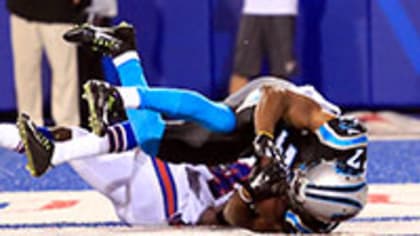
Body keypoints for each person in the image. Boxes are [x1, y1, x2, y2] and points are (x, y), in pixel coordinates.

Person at [9, 118, 367, 233]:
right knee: (68, 138)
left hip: (173, 198)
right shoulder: (288, 164)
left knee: (143, 130)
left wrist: (248, 192)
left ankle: (126, 70)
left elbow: (224, 218)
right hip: (166, 188)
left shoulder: (287, 214)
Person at [6, 0, 89, 126]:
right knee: (25, 74)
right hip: (21, 9)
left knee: (64, 76)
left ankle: (67, 129)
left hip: (60, 12)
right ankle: (29, 128)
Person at [229, 0, 299, 93]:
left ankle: (277, 107)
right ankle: (234, 107)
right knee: (241, 70)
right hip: (252, 10)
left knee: (281, 73)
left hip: (282, 10)